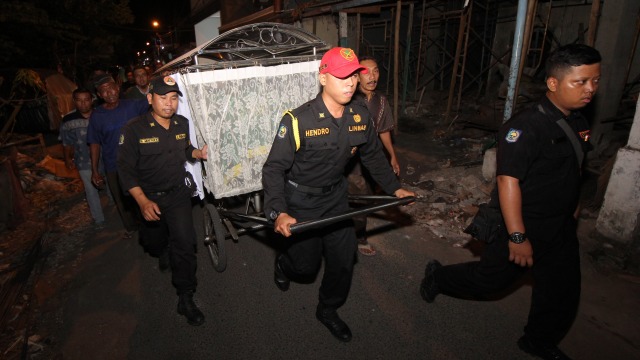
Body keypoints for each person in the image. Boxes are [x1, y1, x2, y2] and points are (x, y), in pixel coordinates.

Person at [419, 44, 601, 360]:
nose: (590, 89)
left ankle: (538, 340)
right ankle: (438, 276)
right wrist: (517, 236)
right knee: (489, 281)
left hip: (560, 226)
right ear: (553, 83)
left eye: (595, 81)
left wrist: (575, 206)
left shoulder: (577, 122)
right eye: (581, 82)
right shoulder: (525, 127)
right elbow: (507, 180)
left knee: (562, 291)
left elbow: (575, 167)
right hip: (523, 224)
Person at [262, 47, 415, 342]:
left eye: (354, 75)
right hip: (301, 202)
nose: (350, 82)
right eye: (342, 76)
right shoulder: (297, 121)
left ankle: (328, 309)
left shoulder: (360, 116)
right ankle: (283, 263)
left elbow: (372, 156)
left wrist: (395, 188)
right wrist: (278, 211)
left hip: (335, 199)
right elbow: (273, 170)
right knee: (305, 267)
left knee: (344, 259)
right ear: (323, 78)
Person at [117, 75, 208, 326]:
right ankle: (161, 248)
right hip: (149, 198)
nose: (169, 103)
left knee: (186, 245)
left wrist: (197, 153)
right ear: (150, 98)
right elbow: (125, 170)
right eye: (162, 97)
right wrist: (142, 201)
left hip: (178, 194)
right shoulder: (133, 129)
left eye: (173, 98)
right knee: (154, 243)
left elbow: (186, 148)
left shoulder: (181, 123)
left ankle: (186, 295)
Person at [347, 55, 400, 256]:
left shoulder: (381, 100)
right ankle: (358, 237)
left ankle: (352, 230)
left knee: (367, 196)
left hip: (373, 156)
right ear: (357, 76)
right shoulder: (349, 99)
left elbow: (384, 130)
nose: (372, 76)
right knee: (358, 198)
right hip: (352, 160)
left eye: (376, 70)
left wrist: (392, 156)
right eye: (366, 71)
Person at [87, 74, 149, 238]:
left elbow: (155, 99)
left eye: (111, 88)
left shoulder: (133, 105)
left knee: (145, 194)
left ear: (118, 88)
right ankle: (132, 228)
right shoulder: (97, 116)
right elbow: (94, 143)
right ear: (100, 96)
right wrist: (95, 170)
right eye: (104, 91)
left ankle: (149, 224)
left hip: (139, 160)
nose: (109, 93)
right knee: (123, 201)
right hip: (113, 165)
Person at [60, 88, 106, 228]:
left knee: (108, 182)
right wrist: (67, 159)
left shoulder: (101, 113)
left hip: (105, 157)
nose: (83, 104)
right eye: (79, 100)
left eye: (86, 100)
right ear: (74, 101)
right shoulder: (68, 119)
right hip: (83, 160)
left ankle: (112, 200)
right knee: (90, 189)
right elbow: (66, 142)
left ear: (91, 100)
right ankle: (98, 219)